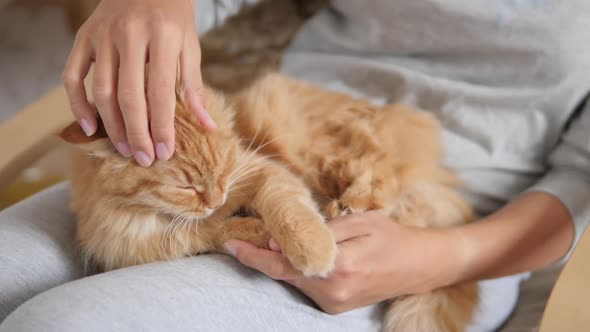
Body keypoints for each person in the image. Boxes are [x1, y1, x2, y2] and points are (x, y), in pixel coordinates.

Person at [1, 0, 589, 331]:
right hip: (264, 129)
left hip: (445, 216)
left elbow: (582, 176)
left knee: (62, 325)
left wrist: (444, 258)